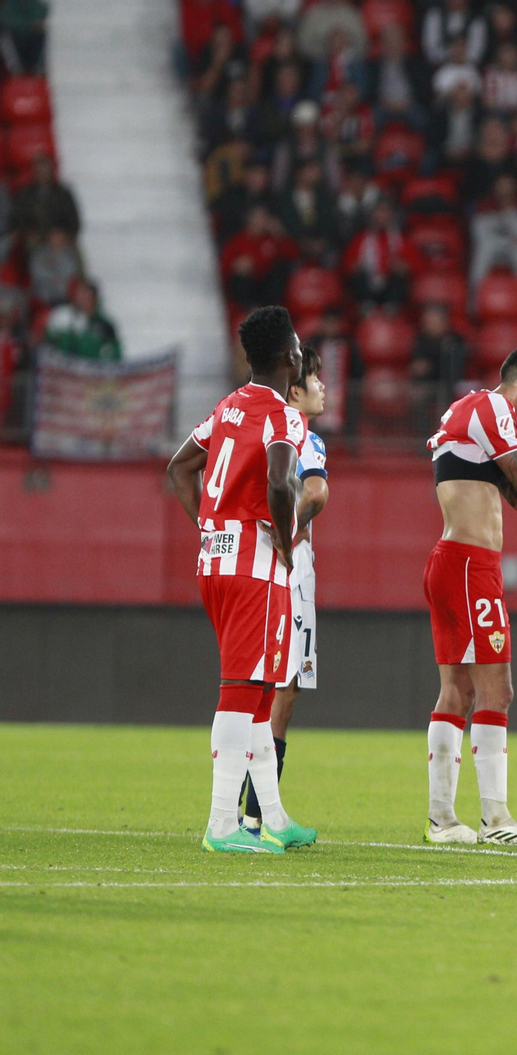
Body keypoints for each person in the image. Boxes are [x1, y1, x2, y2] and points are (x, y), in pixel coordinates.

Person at [165, 305, 318, 854]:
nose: (302, 352)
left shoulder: (229, 406)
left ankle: (272, 817)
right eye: (299, 345)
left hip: (217, 561)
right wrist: (285, 535)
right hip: (254, 565)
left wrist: (210, 529)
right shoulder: (286, 415)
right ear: (288, 357)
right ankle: (221, 825)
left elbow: (180, 468)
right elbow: (280, 481)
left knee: (257, 692)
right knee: (240, 692)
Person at [422, 346, 517, 847]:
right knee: (496, 689)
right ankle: (497, 820)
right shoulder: (493, 409)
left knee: (457, 690)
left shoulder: (473, 412)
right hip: (469, 564)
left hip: (454, 560)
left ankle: (442, 820)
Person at [241, 347, 329, 831]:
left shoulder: (255, 429)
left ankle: (245, 806)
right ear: (295, 390)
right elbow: (315, 492)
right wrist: (289, 534)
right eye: (317, 381)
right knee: (284, 690)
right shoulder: (302, 435)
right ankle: (259, 815)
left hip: (247, 563)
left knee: (256, 682)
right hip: (289, 566)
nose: (324, 389)